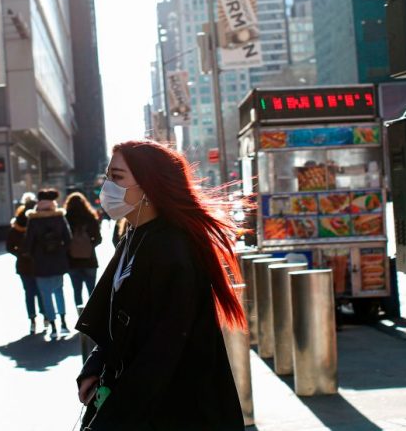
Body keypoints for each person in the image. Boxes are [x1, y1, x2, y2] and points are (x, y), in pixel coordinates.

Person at [75, 141, 245, 430]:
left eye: (117, 177)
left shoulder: (172, 248)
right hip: (142, 400)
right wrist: (96, 366)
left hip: (176, 407)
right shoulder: (135, 236)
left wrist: (114, 417)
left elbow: (163, 347)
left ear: (149, 186)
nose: (107, 187)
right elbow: (118, 320)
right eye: (107, 176)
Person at [25, 188, 72, 339]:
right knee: (59, 291)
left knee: (45, 295)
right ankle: (64, 323)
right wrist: (61, 251)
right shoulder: (59, 217)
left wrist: (33, 255)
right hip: (58, 262)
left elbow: (28, 243)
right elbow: (68, 238)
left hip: (40, 263)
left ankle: (52, 325)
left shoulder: (33, 219)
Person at [6, 193, 46, 334]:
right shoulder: (39, 221)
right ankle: (46, 316)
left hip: (23, 264)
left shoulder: (16, 224)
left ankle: (32, 319)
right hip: (39, 262)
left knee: (29, 292)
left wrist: (20, 253)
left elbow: (9, 247)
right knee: (42, 290)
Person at [64, 192, 102, 307]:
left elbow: (64, 240)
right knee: (92, 291)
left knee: (77, 290)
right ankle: (93, 315)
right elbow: (98, 239)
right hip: (90, 260)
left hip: (73, 261)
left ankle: (80, 315)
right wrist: (89, 246)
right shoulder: (91, 217)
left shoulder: (66, 218)